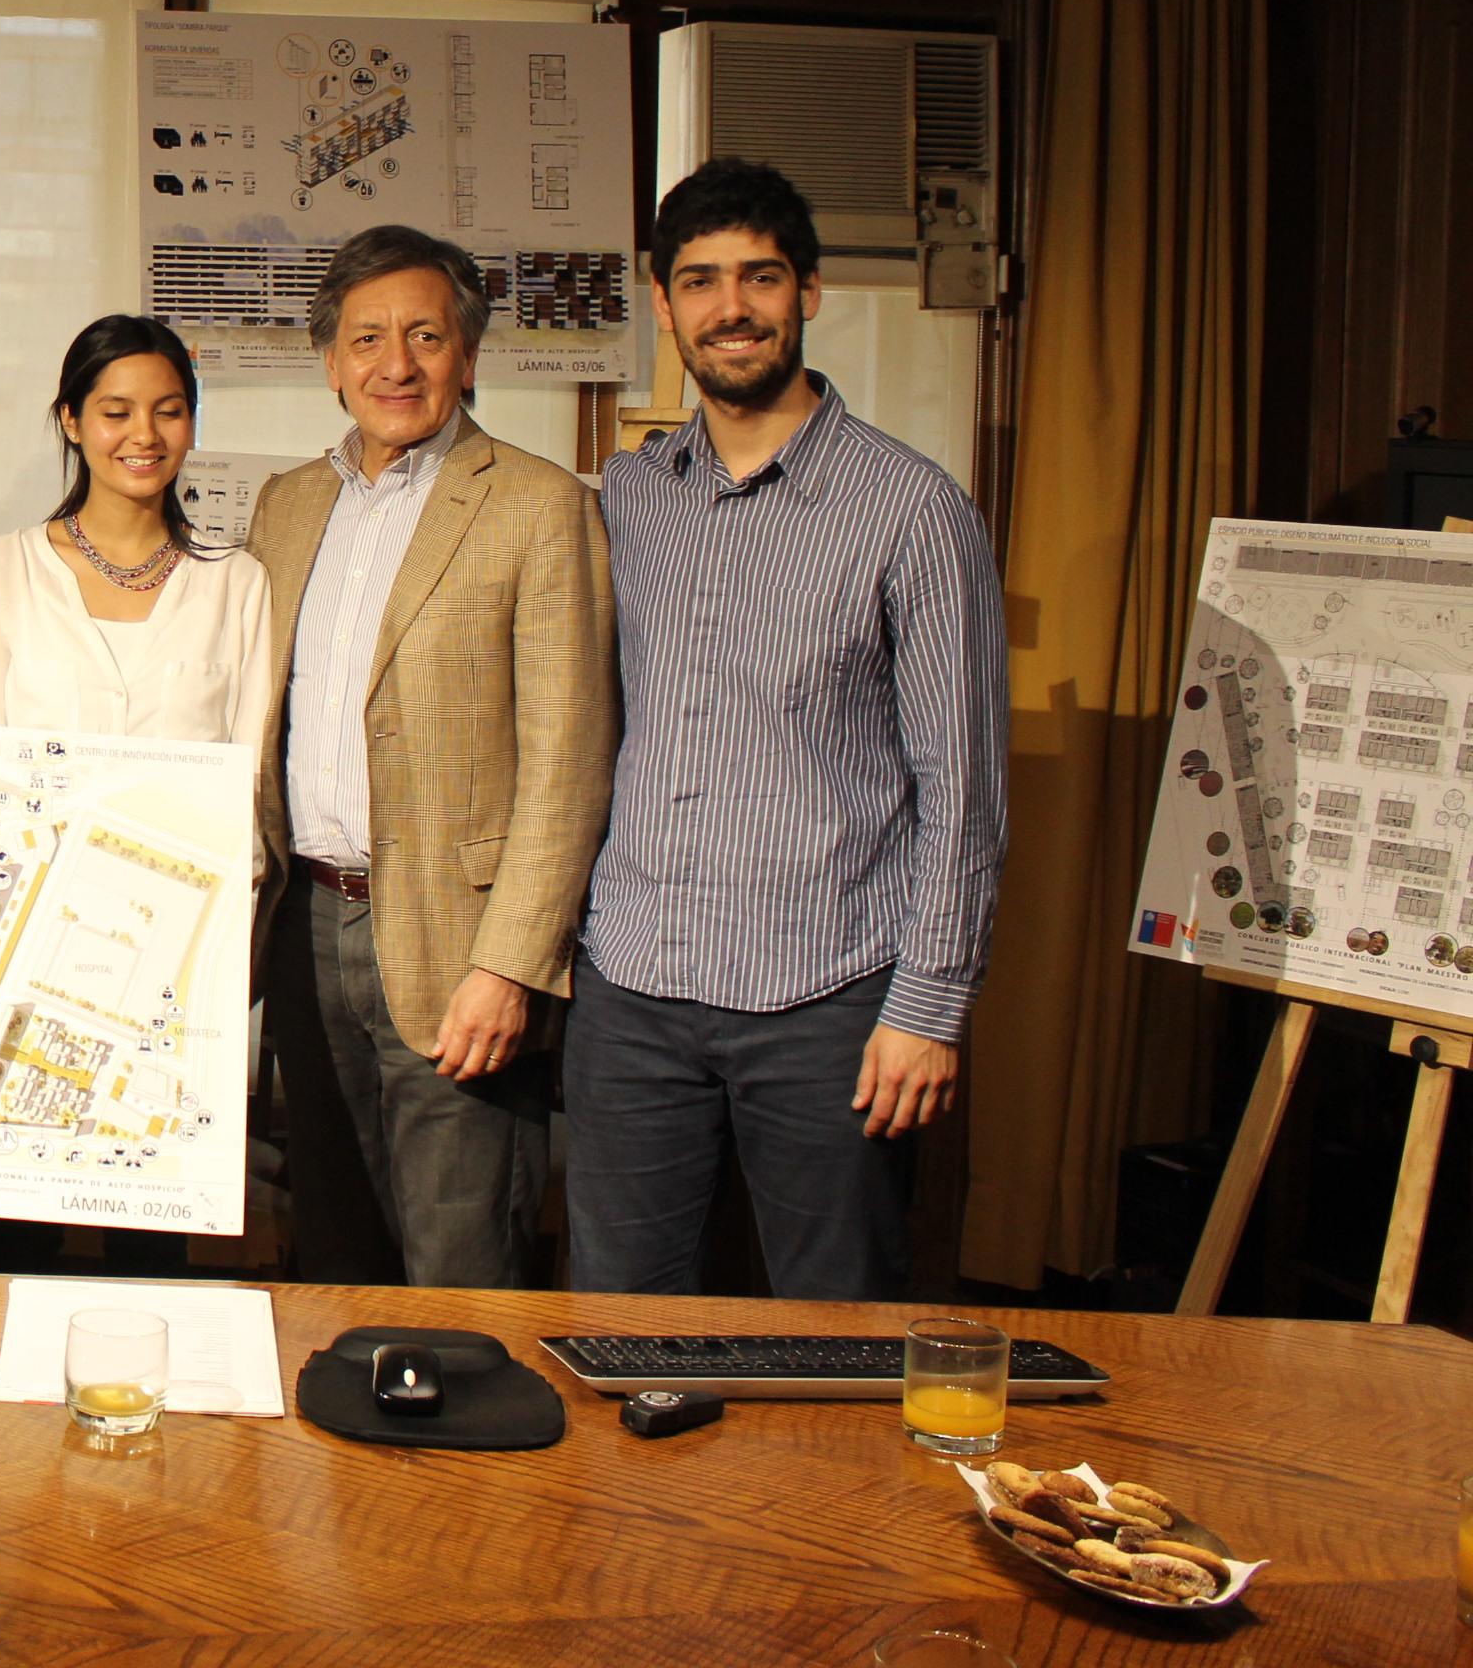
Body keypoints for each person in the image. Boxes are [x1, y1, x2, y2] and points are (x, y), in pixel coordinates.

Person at [567, 159, 1005, 1301]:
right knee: (620, 1327)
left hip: (832, 996)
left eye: (759, 277)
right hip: (633, 985)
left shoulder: (912, 510)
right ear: (663, 306)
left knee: (840, 1324)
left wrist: (928, 1008)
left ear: (807, 292)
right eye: (700, 282)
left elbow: (963, 790)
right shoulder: (631, 497)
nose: (731, 309)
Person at [245, 226, 615, 1289]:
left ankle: (462, 1464)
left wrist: (510, 967)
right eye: (366, 339)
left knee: (461, 1275)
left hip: (459, 949)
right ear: (330, 362)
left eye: (424, 336)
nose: (394, 364)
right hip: (306, 935)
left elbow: (570, 761)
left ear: (469, 354)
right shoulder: (288, 505)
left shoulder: (538, 506)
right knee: (332, 1256)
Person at [0, 314, 270, 749]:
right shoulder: (0, 572)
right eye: (117, 413)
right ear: (71, 421)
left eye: (169, 412)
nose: (145, 435)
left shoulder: (238, 581)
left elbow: (248, 773)